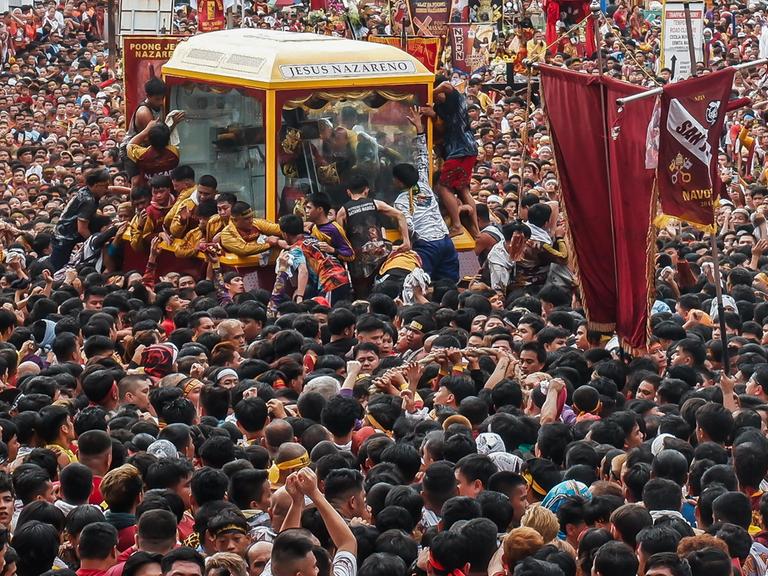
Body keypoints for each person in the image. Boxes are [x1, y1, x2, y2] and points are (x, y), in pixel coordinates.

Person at [393, 107, 459, 283]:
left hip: (426, 246)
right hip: (445, 242)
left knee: (422, 283)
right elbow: (423, 157)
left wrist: (408, 242)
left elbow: (407, 223)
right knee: (449, 284)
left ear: (398, 181)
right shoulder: (423, 183)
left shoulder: (401, 200)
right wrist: (419, 129)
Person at [335, 173, 411, 297]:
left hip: (358, 263)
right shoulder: (375, 203)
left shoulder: (343, 212)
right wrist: (406, 242)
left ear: (348, 192)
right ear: (366, 190)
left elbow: (341, 240)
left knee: (363, 295)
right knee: (383, 291)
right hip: (380, 256)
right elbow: (400, 215)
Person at [51, 168, 111, 270]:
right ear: (96, 186)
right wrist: (93, 244)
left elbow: (112, 189)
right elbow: (82, 229)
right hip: (64, 237)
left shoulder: (86, 189)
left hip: (66, 231)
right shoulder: (88, 201)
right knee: (57, 268)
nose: (107, 189)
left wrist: (131, 191)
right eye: (105, 186)